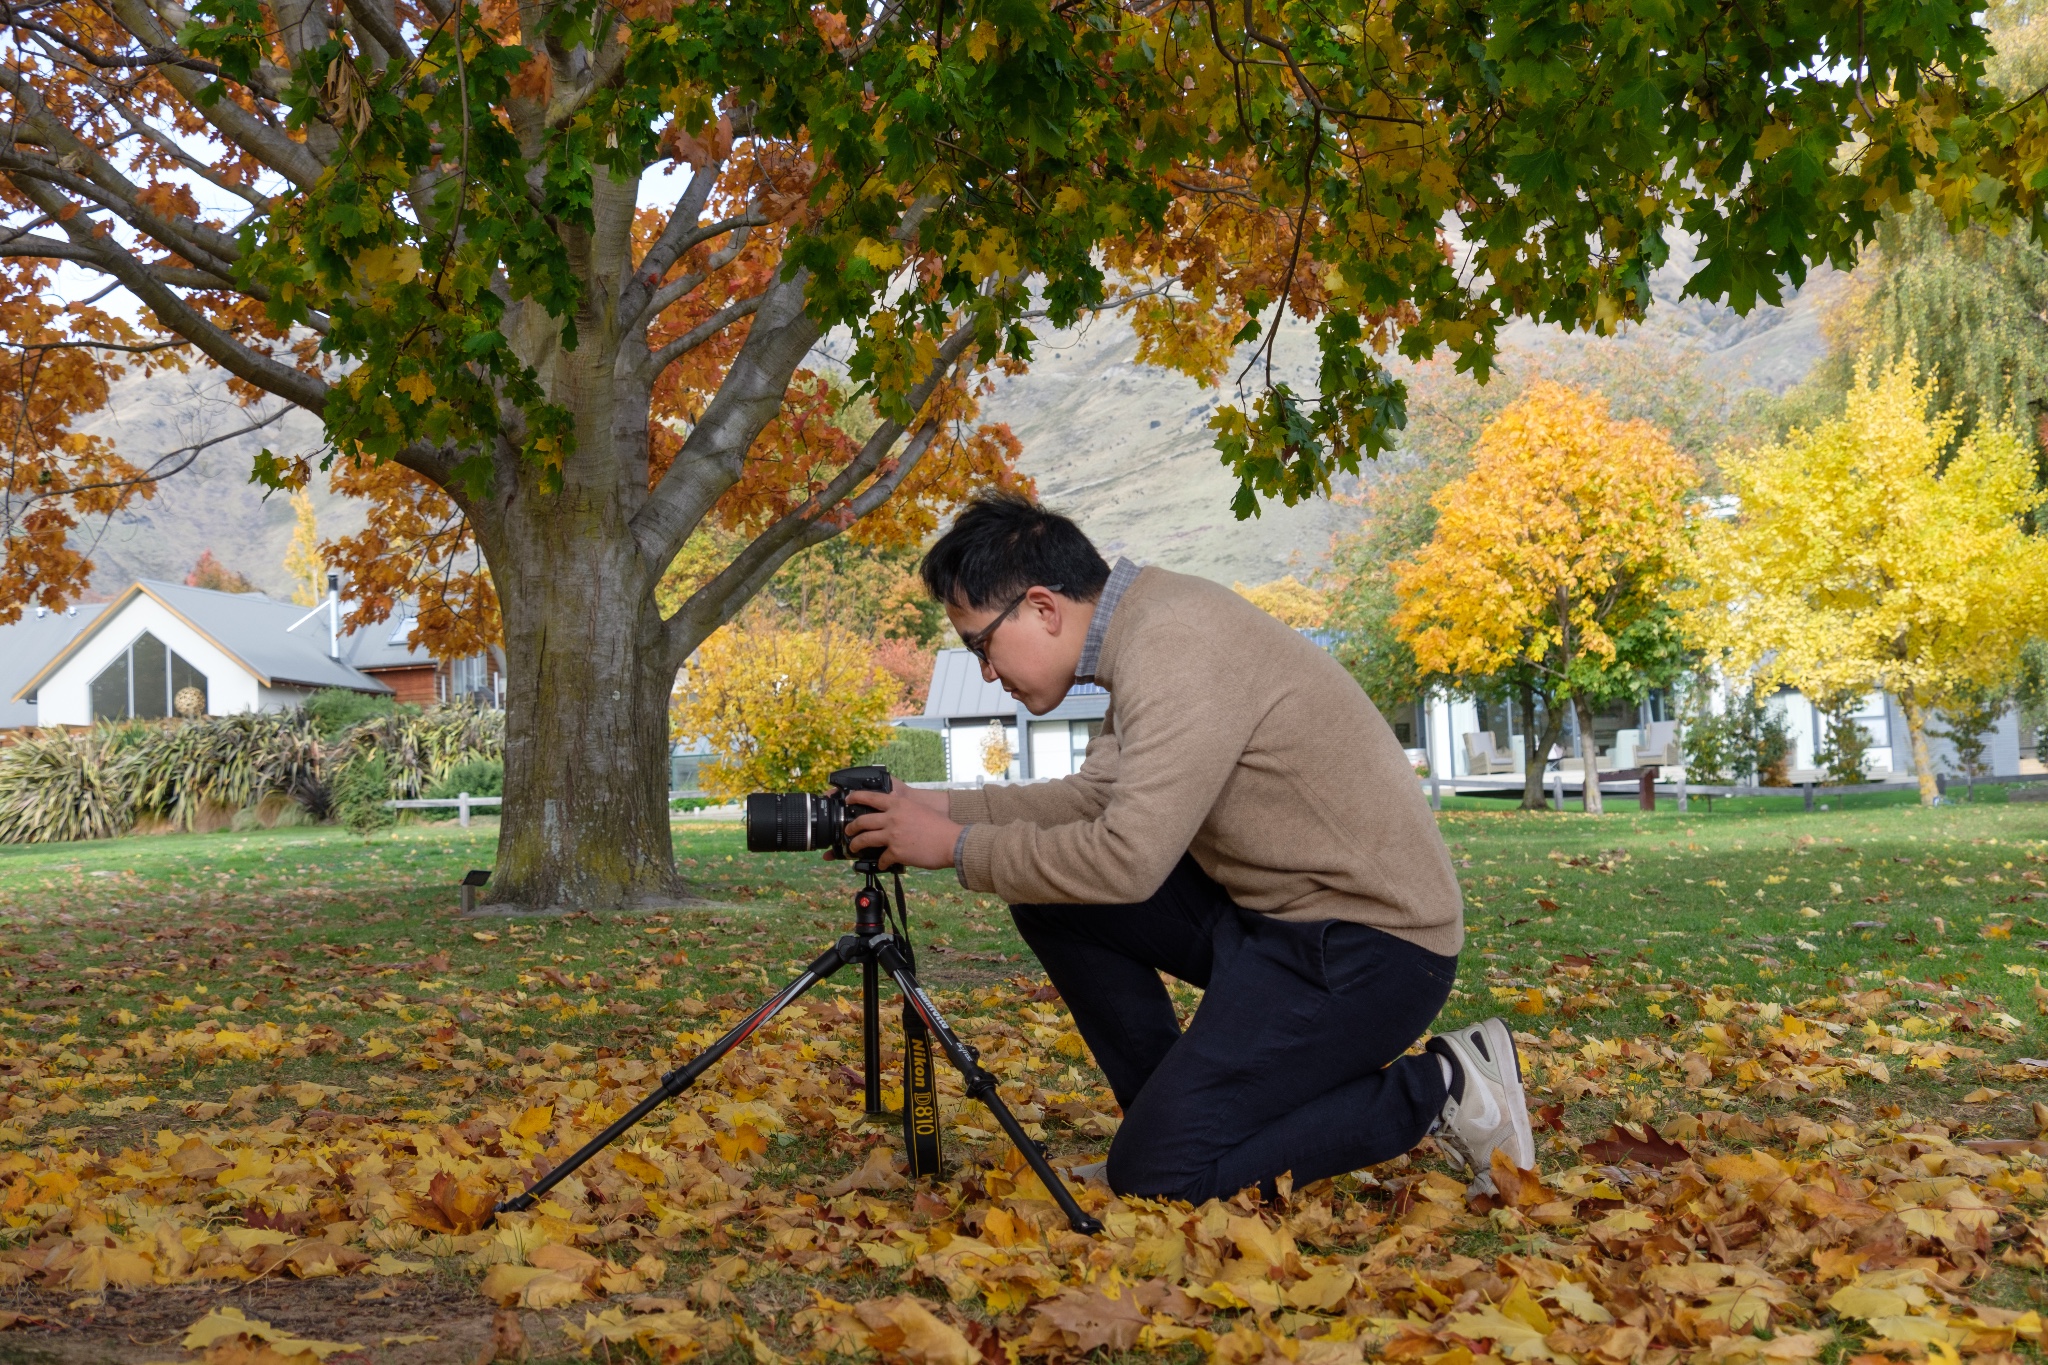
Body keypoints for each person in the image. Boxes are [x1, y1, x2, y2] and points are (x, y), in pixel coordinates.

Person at [844, 493, 1533, 1202]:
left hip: (1373, 949)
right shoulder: (1146, 629)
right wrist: (928, 806)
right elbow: (1092, 801)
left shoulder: (1175, 645)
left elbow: (1127, 858)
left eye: (980, 643)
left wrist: (955, 847)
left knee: (1159, 1174)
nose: (985, 670)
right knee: (1050, 895)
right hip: (1280, 920)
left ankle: (1446, 1084)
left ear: (1043, 607)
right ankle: (1176, 1117)